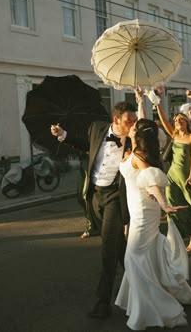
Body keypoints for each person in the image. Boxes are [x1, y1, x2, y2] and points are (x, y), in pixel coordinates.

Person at [51, 99, 138, 319]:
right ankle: (142, 286)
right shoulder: (99, 127)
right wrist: (64, 134)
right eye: (129, 121)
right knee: (120, 250)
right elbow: (86, 145)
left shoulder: (134, 139)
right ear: (116, 120)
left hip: (115, 197)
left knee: (108, 249)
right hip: (95, 195)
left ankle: (103, 303)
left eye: (135, 120)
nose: (133, 125)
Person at [115, 119, 191, 330]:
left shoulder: (139, 158)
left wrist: (165, 205)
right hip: (137, 210)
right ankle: (146, 301)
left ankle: (153, 306)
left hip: (144, 211)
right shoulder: (134, 151)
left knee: (133, 257)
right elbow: (140, 130)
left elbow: (153, 184)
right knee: (143, 255)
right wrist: (141, 100)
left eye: (135, 127)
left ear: (139, 135)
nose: (131, 126)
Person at [155, 94, 191, 252]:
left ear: (187, 122)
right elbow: (163, 121)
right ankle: (176, 235)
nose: (178, 122)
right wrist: (157, 104)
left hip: (186, 176)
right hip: (172, 174)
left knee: (190, 205)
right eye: (176, 121)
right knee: (171, 204)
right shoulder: (174, 135)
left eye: (181, 120)